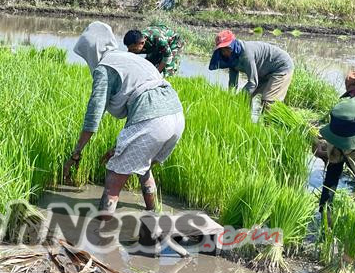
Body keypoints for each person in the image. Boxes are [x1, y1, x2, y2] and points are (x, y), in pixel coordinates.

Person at [62, 22, 185, 218]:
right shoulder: (130, 58)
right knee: (142, 165)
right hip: (176, 114)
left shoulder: (104, 68)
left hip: (152, 117)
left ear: (92, 51)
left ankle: (102, 233)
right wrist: (118, 148)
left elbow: (94, 114)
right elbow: (142, 105)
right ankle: (153, 214)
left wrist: (76, 154)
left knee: (113, 178)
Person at [208, 29, 294, 112]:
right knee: (246, 97)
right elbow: (233, 83)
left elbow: (253, 82)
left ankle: (268, 125)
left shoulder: (246, 54)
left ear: (233, 44)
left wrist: (239, 97)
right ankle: (245, 119)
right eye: (222, 49)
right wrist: (230, 98)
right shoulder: (231, 58)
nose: (225, 52)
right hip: (265, 71)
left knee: (268, 100)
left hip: (281, 67)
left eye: (227, 48)